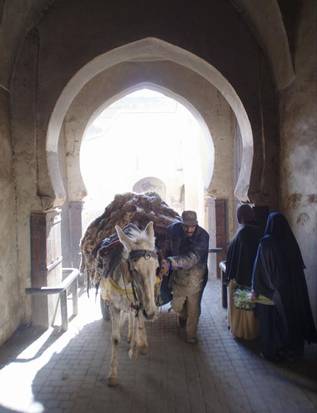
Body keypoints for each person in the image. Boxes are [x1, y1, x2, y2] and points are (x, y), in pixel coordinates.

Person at [252, 211, 317, 361]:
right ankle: (293, 351)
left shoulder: (266, 242)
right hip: (293, 292)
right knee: (292, 319)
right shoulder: (290, 242)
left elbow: (260, 268)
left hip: (273, 292)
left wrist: (257, 288)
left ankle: (273, 352)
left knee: (272, 323)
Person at [160, 210, 209, 344]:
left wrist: (170, 262)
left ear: (197, 224)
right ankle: (182, 315)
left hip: (196, 278)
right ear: (181, 224)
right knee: (177, 306)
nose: (189, 229)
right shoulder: (174, 229)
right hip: (178, 277)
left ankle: (191, 335)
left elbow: (192, 258)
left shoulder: (203, 236)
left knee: (194, 309)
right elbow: (167, 245)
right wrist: (163, 258)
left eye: (192, 226)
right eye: (186, 226)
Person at [225, 204, 263, 339]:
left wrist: (231, 275)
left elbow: (236, 256)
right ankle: (253, 332)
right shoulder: (259, 231)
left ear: (240, 217)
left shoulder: (243, 232)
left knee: (242, 307)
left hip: (241, 277)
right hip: (255, 278)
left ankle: (243, 333)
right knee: (251, 308)